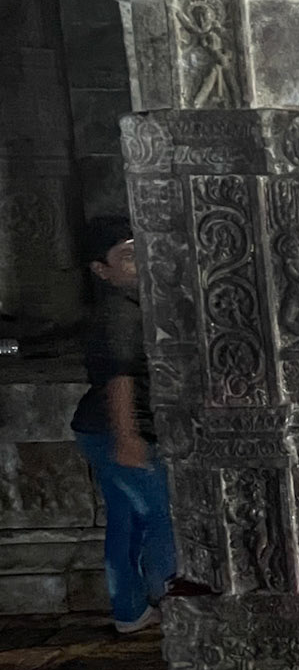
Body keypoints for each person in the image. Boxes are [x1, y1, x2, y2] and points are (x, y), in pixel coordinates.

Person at [70, 215, 176, 634]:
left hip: (101, 430)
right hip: (115, 430)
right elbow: (118, 377)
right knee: (161, 516)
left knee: (128, 520)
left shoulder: (129, 308)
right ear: (101, 269)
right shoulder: (117, 314)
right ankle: (173, 605)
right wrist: (128, 437)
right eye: (127, 256)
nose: (140, 262)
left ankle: (131, 611)